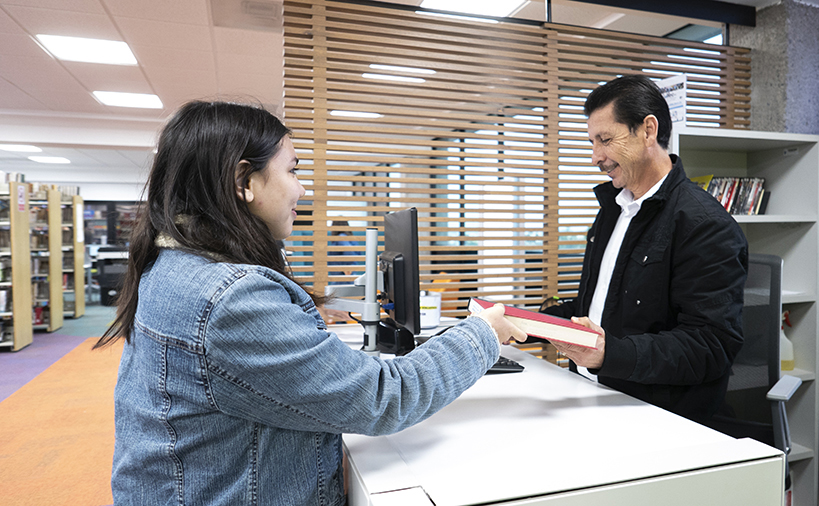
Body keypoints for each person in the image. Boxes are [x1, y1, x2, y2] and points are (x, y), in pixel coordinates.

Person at [93, 100, 527, 506]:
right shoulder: (230, 299)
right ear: (244, 182)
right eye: (293, 171)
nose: (301, 190)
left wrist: (294, 318)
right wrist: (482, 334)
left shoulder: (174, 261)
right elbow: (381, 398)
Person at [542, 75, 748, 427]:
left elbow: (711, 346)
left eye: (605, 140)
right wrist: (532, 321)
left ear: (648, 131)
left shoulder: (703, 224)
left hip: (657, 418)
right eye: (593, 142)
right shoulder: (614, 210)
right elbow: (603, 305)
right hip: (594, 397)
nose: (597, 157)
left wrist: (609, 353)